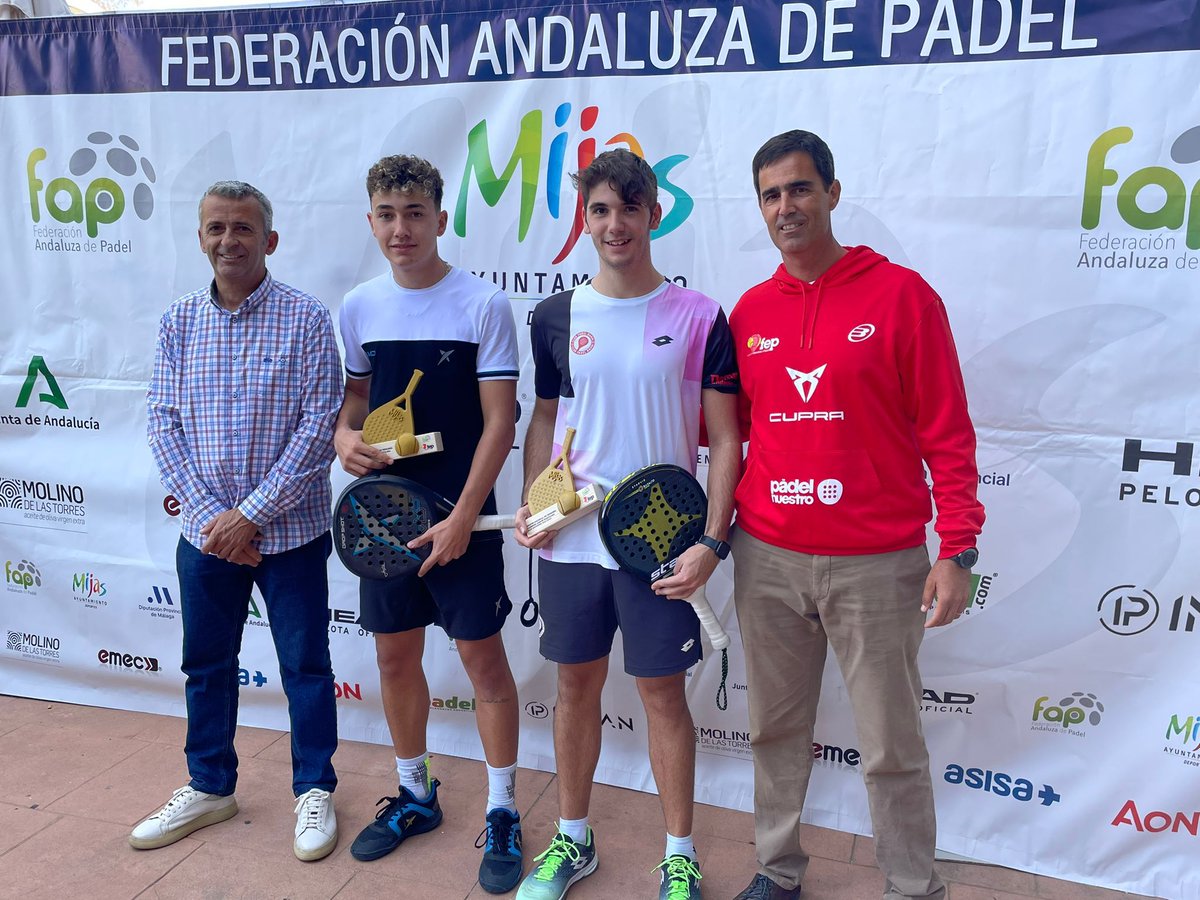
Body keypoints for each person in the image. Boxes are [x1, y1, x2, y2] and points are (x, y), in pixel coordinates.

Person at [728, 130, 986, 900]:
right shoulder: (749, 312)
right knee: (774, 731)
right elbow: (730, 435)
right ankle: (777, 867)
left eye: (800, 189)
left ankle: (913, 884)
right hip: (766, 555)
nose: (786, 207)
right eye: (771, 195)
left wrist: (959, 547)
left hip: (879, 562)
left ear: (833, 194)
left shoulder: (903, 295)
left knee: (890, 745)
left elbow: (948, 430)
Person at [513, 148, 741, 900]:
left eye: (628, 208)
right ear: (586, 215)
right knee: (574, 690)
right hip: (572, 545)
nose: (614, 224)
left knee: (662, 699)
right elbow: (544, 418)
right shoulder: (554, 315)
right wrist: (535, 503)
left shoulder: (700, 315)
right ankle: (572, 843)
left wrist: (711, 541)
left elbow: (726, 439)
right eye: (599, 209)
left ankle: (679, 855)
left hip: (659, 552)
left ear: (653, 214)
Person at [333, 155, 524, 893]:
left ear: (440, 220)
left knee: (484, 668)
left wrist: (465, 520)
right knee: (391, 662)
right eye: (386, 214)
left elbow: (500, 423)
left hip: (462, 526)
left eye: (414, 214)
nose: (400, 228)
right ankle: (417, 795)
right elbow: (353, 404)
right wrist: (344, 438)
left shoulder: (482, 305)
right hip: (382, 525)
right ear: (372, 222)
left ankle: (503, 809)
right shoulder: (359, 305)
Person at [138, 180, 343, 861]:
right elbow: (163, 426)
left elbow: (318, 432)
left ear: (270, 240)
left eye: (243, 229)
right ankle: (209, 787)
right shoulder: (177, 324)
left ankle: (314, 789)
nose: (230, 240)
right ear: (200, 239)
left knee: (306, 665)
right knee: (206, 665)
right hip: (204, 540)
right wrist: (211, 520)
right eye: (217, 228)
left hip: (289, 535)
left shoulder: (308, 320)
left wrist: (249, 517)